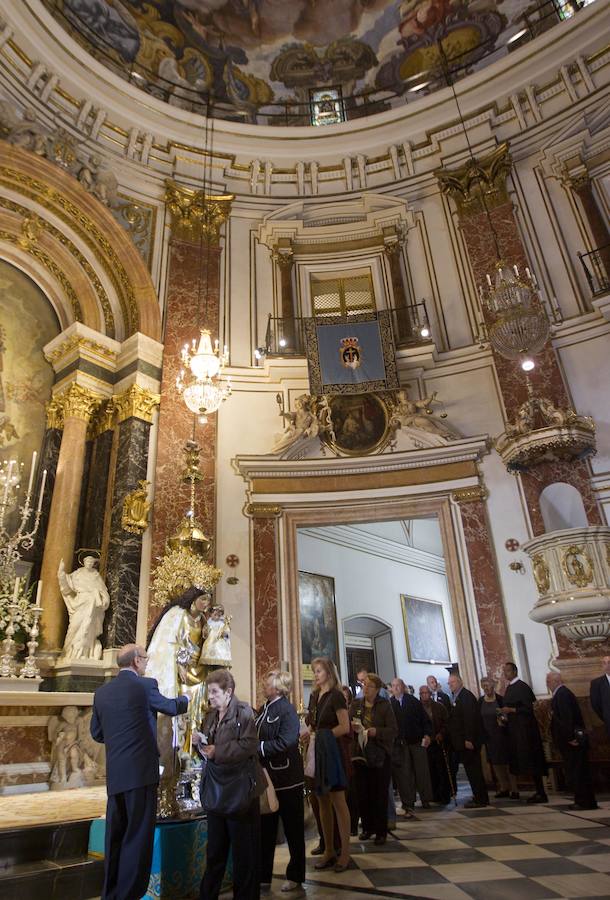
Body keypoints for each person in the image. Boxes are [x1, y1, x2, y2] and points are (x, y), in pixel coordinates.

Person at [90, 644, 188, 900]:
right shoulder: (145, 687)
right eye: (145, 659)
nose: (147, 664)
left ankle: (110, 894)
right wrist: (189, 696)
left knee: (116, 837)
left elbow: (97, 733)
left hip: (116, 777)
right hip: (142, 775)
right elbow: (171, 707)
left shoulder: (101, 693)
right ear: (135, 661)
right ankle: (128, 895)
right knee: (137, 838)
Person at [193, 669, 261, 900]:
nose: (210, 697)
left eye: (214, 692)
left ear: (228, 692)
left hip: (239, 793)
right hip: (216, 791)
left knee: (244, 857)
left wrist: (217, 751)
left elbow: (249, 745)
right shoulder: (210, 716)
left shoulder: (244, 713)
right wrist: (199, 744)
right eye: (208, 692)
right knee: (215, 853)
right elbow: (207, 751)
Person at [256, 670, 305, 896]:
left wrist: (260, 748)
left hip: (287, 778)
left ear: (277, 687)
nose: (264, 686)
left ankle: (296, 875)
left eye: (267, 683)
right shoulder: (265, 708)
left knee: (293, 828)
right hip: (267, 778)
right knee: (265, 829)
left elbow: (287, 740)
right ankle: (263, 876)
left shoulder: (286, 710)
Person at [305, 657, 351, 872]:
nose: (316, 674)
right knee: (321, 801)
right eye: (315, 671)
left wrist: (323, 735)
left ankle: (345, 854)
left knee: (338, 802)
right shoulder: (315, 696)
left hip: (332, 753)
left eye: (319, 671)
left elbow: (345, 726)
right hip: (318, 752)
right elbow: (313, 723)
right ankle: (329, 850)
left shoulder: (336, 696)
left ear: (329, 673)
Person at [350, 673, 397, 845]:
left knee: (379, 794)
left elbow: (393, 730)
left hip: (380, 754)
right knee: (363, 793)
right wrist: (354, 727)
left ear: (377, 689)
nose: (366, 688)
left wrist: (376, 732)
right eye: (364, 685)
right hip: (360, 754)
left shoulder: (385, 706)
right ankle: (367, 828)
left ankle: (380, 831)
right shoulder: (356, 705)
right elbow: (348, 722)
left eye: (369, 686)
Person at [547, 671, 598, 811]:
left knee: (578, 771)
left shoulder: (562, 694)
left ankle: (583, 801)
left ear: (557, 681)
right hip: (571, 740)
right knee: (577, 771)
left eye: (549, 681)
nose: (547, 683)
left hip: (572, 741)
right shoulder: (561, 694)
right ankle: (585, 800)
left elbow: (567, 718)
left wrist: (570, 738)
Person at [500, 662, 548, 804]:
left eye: (507, 671)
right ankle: (538, 791)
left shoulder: (522, 687)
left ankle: (541, 792)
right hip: (516, 731)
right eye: (504, 671)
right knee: (526, 761)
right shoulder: (509, 688)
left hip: (527, 731)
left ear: (515, 671)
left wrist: (511, 710)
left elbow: (527, 709)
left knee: (533, 761)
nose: (505, 673)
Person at [390, 678, 432, 817]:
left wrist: (427, 734)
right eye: (393, 686)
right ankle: (408, 804)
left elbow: (424, 720)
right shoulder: (390, 703)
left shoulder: (413, 701)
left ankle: (425, 798)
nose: (395, 688)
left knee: (422, 771)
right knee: (405, 775)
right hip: (400, 744)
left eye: (398, 685)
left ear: (403, 687)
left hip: (416, 741)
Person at [447, 673, 489, 808]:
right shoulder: (458, 697)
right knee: (471, 771)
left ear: (459, 682)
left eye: (452, 682)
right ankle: (478, 796)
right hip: (462, 742)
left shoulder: (466, 697)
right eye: (449, 683)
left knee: (474, 770)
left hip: (469, 742)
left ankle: (481, 798)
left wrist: (468, 739)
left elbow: (470, 720)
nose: (450, 685)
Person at [58, 555, 110, 660]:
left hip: (93, 605)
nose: (89, 564)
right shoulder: (77, 574)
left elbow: (103, 591)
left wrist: (104, 599)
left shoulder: (96, 576)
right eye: (88, 562)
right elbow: (66, 586)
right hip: (81, 602)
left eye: (92, 562)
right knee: (75, 626)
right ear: (84, 562)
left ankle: (85, 653)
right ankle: (69, 651)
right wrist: (61, 573)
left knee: (89, 628)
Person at [479, 676, 519, 799]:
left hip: (502, 735)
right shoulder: (480, 701)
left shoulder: (501, 700)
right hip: (489, 737)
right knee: (495, 763)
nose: (486, 688)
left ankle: (514, 789)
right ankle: (503, 787)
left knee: (507, 762)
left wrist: (503, 720)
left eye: (488, 685)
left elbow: (508, 716)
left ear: (494, 686)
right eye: (484, 685)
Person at [419, 685, 452, 805]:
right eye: (422, 693)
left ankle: (445, 794)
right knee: (430, 770)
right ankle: (434, 794)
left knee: (442, 769)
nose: (424, 695)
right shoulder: (418, 708)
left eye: (426, 693)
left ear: (430, 694)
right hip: (426, 744)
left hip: (439, 742)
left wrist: (441, 733)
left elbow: (447, 723)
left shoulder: (439, 707)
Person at [590, 656, 610, 738]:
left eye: (609, 662)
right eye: (605, 663)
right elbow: (595, 705)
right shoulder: (596, 683)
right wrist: (606, 717)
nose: (608, 665)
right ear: (602, 666)